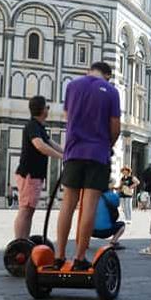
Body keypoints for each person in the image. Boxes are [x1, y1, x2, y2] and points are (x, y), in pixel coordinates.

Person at [55, 62, 121, 270]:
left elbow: (68, 118)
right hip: (97, 153)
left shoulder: (72, 86)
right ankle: (80, 257)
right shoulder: (111, 91)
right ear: (108, 76)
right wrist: (106, 144)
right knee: (88, 206)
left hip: (73, 151)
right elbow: (115, 127)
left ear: (89, 71)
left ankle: (59, 255)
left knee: (67, 204)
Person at [13, 96, 63, 239]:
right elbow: (40, 145)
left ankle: (24, 240)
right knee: (25, 210)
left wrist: (67, 153)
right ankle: (19, 242)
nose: (48, 109)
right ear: (42, 110)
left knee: (29, 210)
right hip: (29, 174)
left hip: (35, 175)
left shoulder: (39, 127)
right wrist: (61, 157)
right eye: (46, 107)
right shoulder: (32, 126)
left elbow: (50, 143)